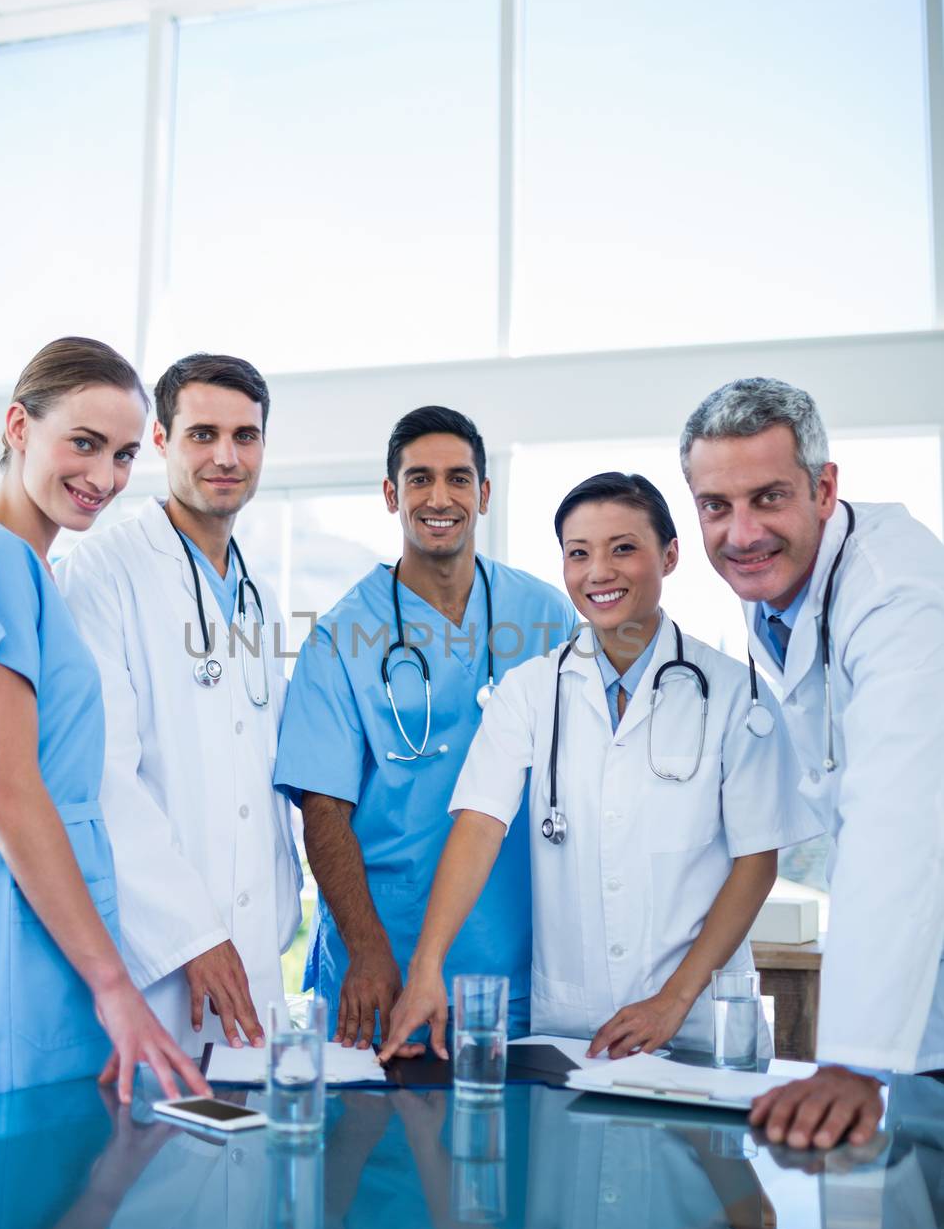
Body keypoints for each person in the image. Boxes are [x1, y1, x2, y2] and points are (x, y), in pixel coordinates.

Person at [380, 471, 819, 1063]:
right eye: (578, 553)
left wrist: (672, 1000)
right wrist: (427, 965)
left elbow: (755, 862)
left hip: (697, 1028)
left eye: (623, 549)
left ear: (669, 556)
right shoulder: (530, 690)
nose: (599, 572)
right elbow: (479, 825)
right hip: (574, 1026)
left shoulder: (735, 693)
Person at [0, 337, 208, 1107]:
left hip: (46, 909)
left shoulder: (30, 571)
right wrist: (114, 986)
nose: (104, 477)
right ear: (16, 427)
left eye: (125, 454)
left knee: (59, 1191)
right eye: (84, 443)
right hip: (11, 915)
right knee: (5, 1201)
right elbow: (6, 789)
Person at [681, 377, 944, 1149]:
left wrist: (852, 1059)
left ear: (823, 489)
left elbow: (895, 814)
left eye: (768, 497)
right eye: (714, 507)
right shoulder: (778, 587)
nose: (740, 533)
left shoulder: (896, 597)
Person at [273, 406, 572, 1046]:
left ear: (484, 493)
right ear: (391, 494)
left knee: (509, 1142)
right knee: (377, 1144)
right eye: (419, 480)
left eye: (459, 479)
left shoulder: (546, 613)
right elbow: (322, 810)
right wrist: (367, 951)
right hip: (386, 962)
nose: (440, 498)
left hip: (516, 963)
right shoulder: (339, 636)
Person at [58, 353, 301, 1057]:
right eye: (202, 434)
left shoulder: (258, 594)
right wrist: (190, 935)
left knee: (254, 1152)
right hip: (158, 960)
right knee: (158, 1154)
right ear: (161, 440)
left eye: (245, 436)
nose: (226, 457)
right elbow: (103, 777)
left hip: (255, 953)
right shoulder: (101, 572)